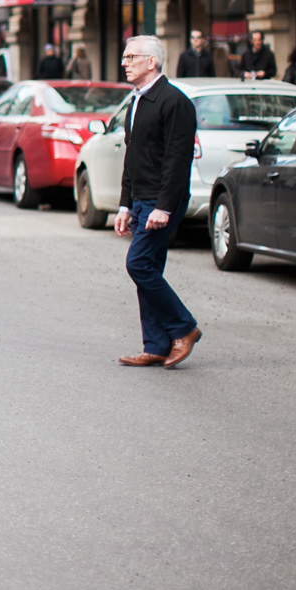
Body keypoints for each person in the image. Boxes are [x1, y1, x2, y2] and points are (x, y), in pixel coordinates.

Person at [114, 35, 202, 370]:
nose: (125, 63)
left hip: (163, 200)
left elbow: (178, 161)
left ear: (152, 62)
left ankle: (184, 328)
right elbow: (132, 157)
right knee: (148, 268)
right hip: (140, 199)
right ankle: (156, 345)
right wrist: (124, 205)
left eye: (131, 57)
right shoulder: (135, 101)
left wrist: (163, 207)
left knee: (137, 264)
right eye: (124, 57)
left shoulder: (174, 102)